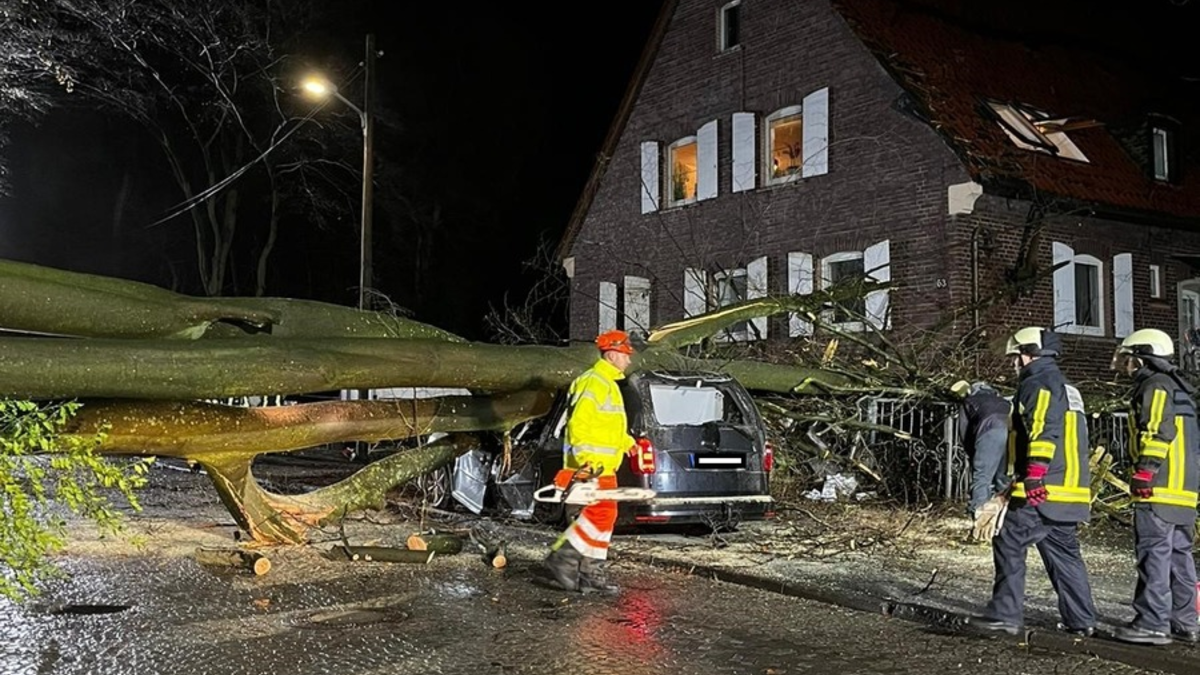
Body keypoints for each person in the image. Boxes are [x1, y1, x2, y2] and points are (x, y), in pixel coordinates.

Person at [971, 327, 1097, 637]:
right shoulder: (1067, 387)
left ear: (1028, 354)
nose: (1013, 363)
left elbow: (1044, 430)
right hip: (1070, 490)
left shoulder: (1038, 383)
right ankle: (1082, 621)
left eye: (1015, 356)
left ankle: (1004, 616)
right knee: (1064, 555)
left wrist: (1034, 477)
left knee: (1008, 540)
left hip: (1043, 489)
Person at [1110, 328, 1200, 645]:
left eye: (1129, 358)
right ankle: (1185, 622)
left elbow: (1157, 432)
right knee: (1180, 558)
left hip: (1158, 489)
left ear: (1142, 357)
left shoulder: (1155, 385)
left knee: (1154, 557)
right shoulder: (1181, 390)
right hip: (1185, 491)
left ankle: (1152, 624)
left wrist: (1145, 472)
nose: (1126, 365)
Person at [543, 329, 638, 595]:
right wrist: (587, 463)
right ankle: (567, 562)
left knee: (603, 516)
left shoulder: (606, 383)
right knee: (598, 515)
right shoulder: (594, 382)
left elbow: (607, 429)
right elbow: (578, 426)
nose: (629, 360)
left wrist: (628, 444)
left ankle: (587, 572)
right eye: (625, 355)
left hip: (601, 466)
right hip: (591, 467)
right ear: (611, 355)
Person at [951, 380, 1012, 537]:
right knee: (1001, 479)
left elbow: (964, 432)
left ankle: (979, 523)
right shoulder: (1003, 401)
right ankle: (1004, 521)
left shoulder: (970, 401)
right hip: (1009, 435)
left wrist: (972, 454)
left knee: (981, 477)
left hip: (988, 433)